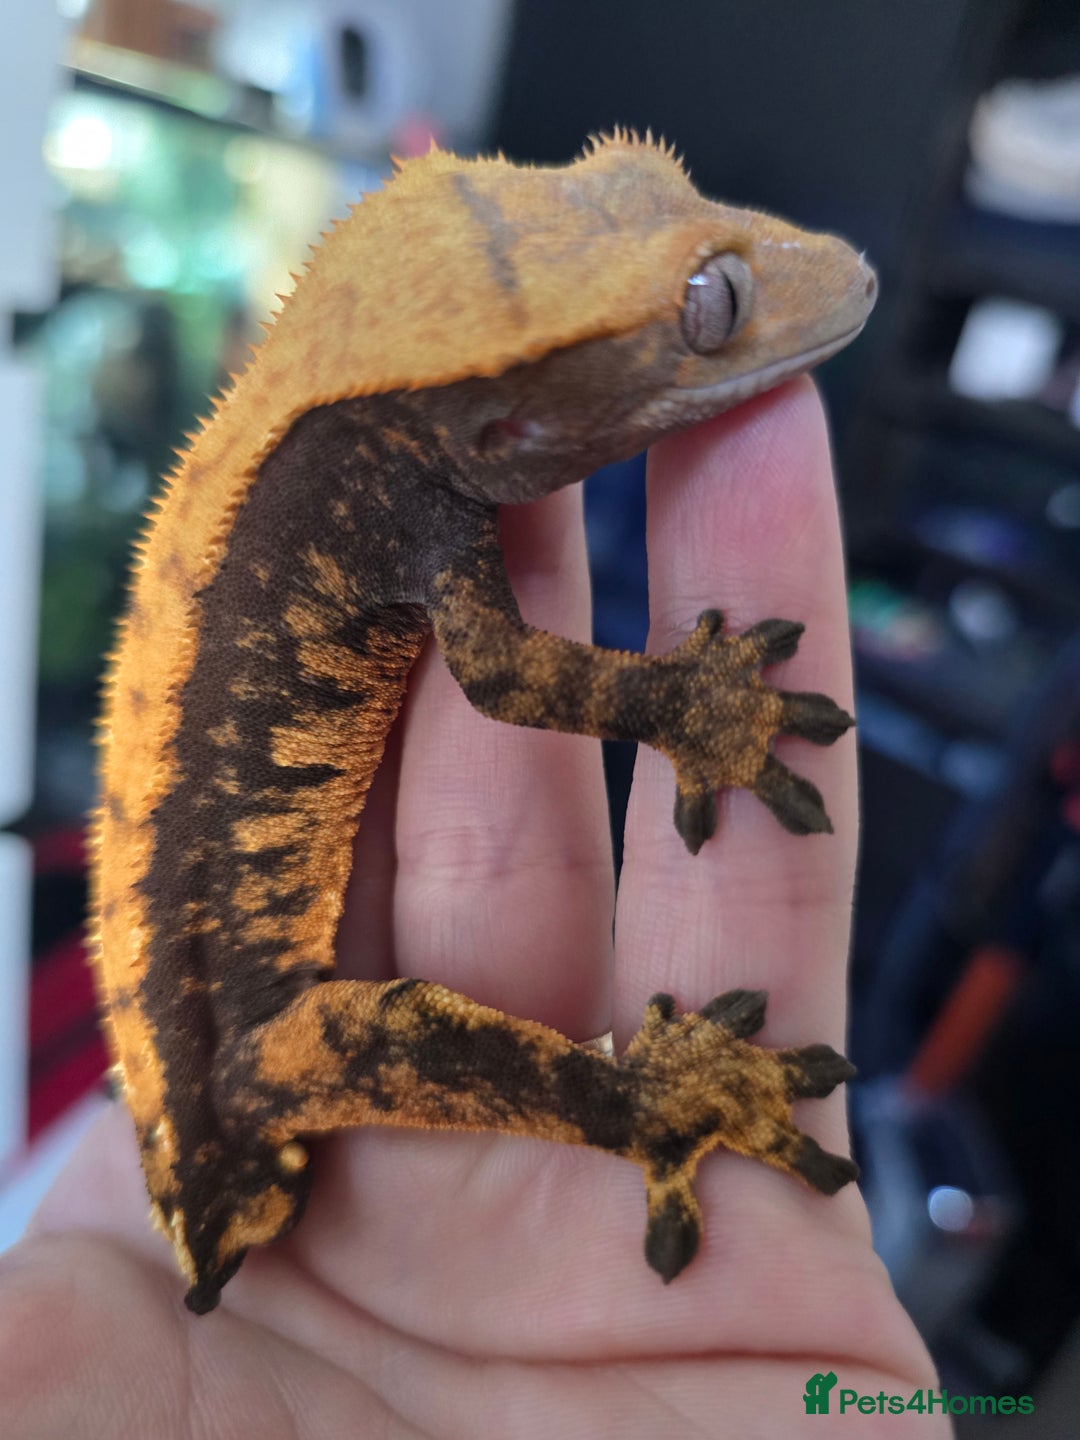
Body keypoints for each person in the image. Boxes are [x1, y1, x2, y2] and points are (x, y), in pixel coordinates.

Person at [0, 379, 945, 1436]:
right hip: (229, 1100)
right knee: (355, 1037)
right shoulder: (391, 471)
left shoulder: (365, 461)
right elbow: (499, 674)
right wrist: (685, 704)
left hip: (199, 1096)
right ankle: (642, 1109)